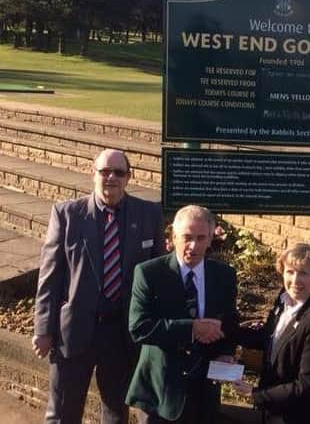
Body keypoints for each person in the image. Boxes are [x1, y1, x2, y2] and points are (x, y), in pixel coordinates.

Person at [32, 148, 165, 424]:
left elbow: (157, 275)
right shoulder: (67, 214)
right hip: (74, 331)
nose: (111, 178)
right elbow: (50, 278)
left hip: (121, 333)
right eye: (105, 171)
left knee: (116, 411)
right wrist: (43, 329)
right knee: (62, 412)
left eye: (119, 172)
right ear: (93, 174)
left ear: (129, 177)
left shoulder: (149, 214)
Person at [126, 204, 239, 424]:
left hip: (203, 392)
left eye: (201, 238)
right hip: (160, 392)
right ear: (174, 236)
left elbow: (229, 321)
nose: (193, 246)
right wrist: (192, 328)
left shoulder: (224, 275)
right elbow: (139, 328)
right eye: (187, 237)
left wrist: (226, 352)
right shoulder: (149, 273)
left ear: (210, 239)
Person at [233, 243, 310, 424]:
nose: (295, 280)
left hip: (301, 415)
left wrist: (256, 394)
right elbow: (270, 338)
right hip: (277, 409)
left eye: (303, 273)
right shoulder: (284, 298)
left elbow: (307, 386)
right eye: (290, 271)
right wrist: (227, 332)